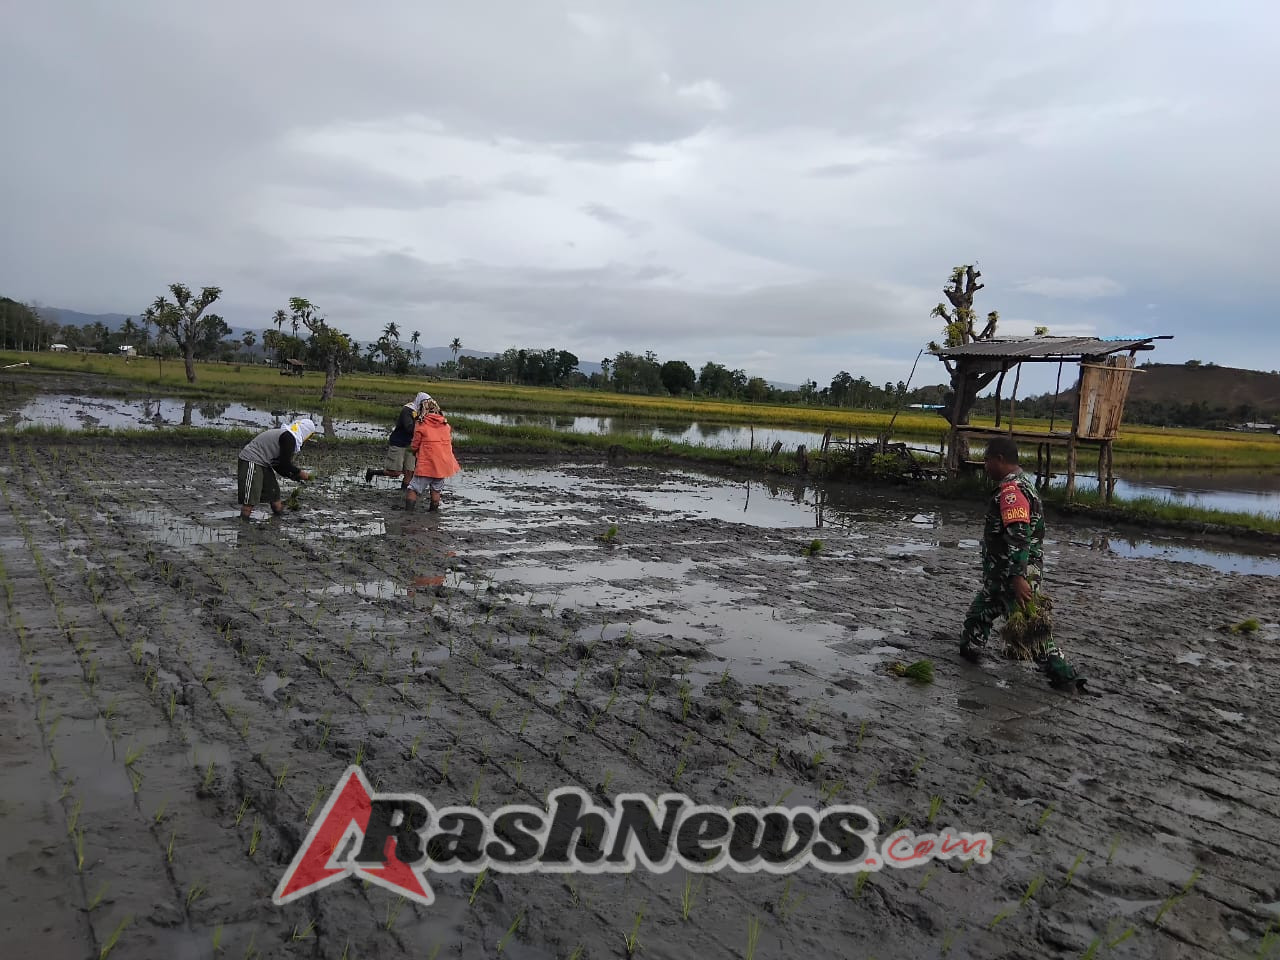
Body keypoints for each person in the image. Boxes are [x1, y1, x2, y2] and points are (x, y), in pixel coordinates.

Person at [959, 436, 1086, 691]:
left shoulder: (1012, 492)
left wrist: (1018, 577)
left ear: (999, 460)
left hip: (1012, 575)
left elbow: (1019, 534)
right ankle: (970, 650)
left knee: (1031, 631)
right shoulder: (1022, 483)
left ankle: (1063, 675)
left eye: (986, 460)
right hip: (1000, 576)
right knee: (978, 615)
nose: (985, 466)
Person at [237, 418, 316, 520]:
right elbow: (285, 464)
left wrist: (294, 476)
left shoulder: (288, 437)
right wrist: (300, 473)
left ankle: (278, 520)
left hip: (264, 463)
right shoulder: (288, 438)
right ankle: (244, 527)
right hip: (252, 459)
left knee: (274, 494)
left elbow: (279, 465)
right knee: (250, 500)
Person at [366, 392, 431, 489]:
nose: (427, 406)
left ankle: (403, 493)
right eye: (425, 403)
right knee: (395, 473)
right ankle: (372, 472)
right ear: (420, 402)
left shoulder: (421, 412)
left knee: (410, 471)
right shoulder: (408, 410)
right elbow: (409, 428)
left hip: (411, 445)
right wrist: (423, 426)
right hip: (399, 443)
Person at [406, 398, 460, 511]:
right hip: (443, 465)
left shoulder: (421, 425)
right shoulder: (446, 425)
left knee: (413, 488)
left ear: (422, 410)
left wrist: (415, 451)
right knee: (436, 490)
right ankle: (433, 515)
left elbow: (415, 446)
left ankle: (408, 513)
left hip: (427, 464)